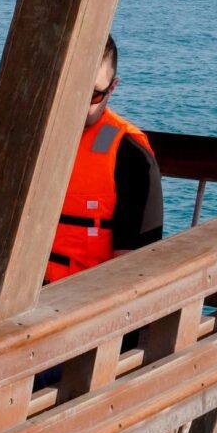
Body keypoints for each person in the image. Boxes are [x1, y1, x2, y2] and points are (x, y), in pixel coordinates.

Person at [44, 36, 164, 281]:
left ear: (112, 87)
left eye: (93, 95)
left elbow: (133, 272)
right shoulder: (27, 140)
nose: (78, 104)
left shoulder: (130, 155)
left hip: (83, 296)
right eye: (71, 90)